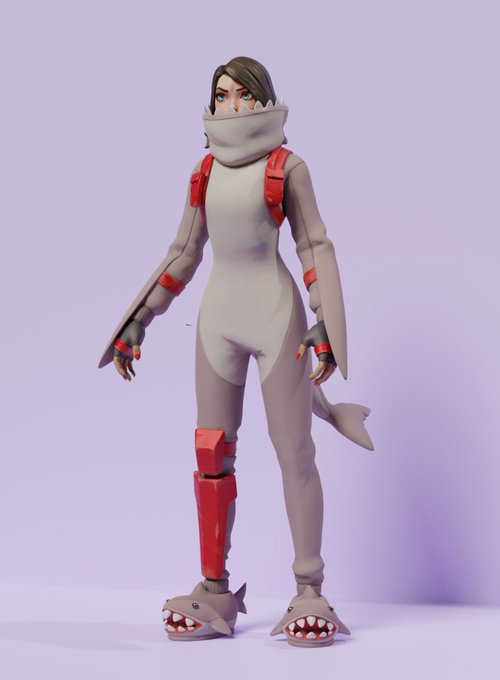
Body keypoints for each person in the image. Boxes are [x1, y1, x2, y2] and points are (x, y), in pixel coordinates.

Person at [99, 56, 373, 647]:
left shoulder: (286, 168)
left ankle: (309, 590)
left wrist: (325, 324)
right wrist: (138, 320)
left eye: (244, 94)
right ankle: (215, 587)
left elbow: (314, 246)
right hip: (217, 322)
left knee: (294, 449)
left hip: (276, 319)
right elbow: (183, 252)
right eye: (222, 94)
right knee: (211, 453)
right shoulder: (203, 171)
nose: (233, 104)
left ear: (263, 98)